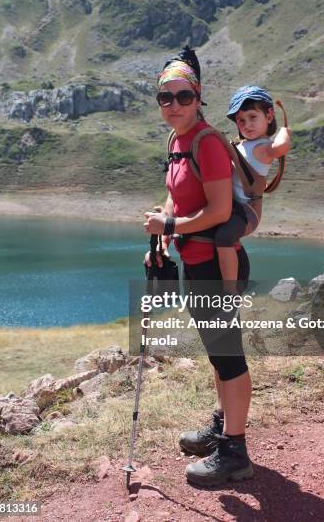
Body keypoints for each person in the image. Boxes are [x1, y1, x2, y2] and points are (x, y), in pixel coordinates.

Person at [144, 46, 253, 487]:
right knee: (216, 352)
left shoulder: (206, 142)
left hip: (217, 267)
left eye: (183, 96)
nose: (174, 105)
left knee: (229, 357)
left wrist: (170, 222)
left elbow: (219, 209)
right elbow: (176, 193)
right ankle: (221, 427)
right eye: (165, 97)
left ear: (198, 96)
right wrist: (163, 236)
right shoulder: (176, 140)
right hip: (194, 259)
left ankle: (235, 452)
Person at [215, 86, 292, 294]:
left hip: (246, 211)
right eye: (241, 120)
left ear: (269, 115)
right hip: (233, 206)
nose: (247, 124)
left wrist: (284, 133)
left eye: (252, 117)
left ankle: (229, 290)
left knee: (223, 238)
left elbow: (281, 148)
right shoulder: (243, 144)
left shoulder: (263, 148)